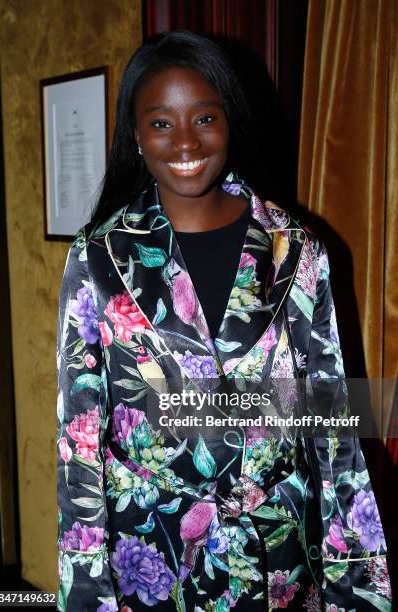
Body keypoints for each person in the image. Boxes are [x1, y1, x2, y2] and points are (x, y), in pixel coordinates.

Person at [56, 31, 391, 611]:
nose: (185, 140)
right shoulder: (98, 257)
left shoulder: (296, 249)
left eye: (204, 117)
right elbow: (78, 437)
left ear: (229, 122)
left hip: (279, 556)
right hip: (152, 555)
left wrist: (354, 580)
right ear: (135, 135)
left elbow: (333, 417)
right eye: (161, 123)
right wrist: (86, 586)